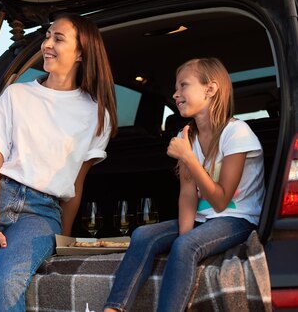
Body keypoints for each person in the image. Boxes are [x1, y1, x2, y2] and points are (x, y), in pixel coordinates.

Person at [0, 14, 118, 311]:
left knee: (4, 281)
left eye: (58, 39)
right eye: (47, 36)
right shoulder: (16, 94)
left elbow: (76, 184)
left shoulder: (98, 116)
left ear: (81, 52)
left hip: (41, 214)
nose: (46, 44)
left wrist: (64, 239)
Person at [104, 57, 265, 312]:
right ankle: (113, 308)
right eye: (176, 88)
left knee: (185, 245)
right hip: (204, 219)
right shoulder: (186, 136)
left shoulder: (237, 133)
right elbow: (188, 195)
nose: (175, 94)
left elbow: (221, 200)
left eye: (183, 86)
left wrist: (188, 158)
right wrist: (184, 237)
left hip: (237, 218)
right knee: (143, 235)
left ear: (210, 89)